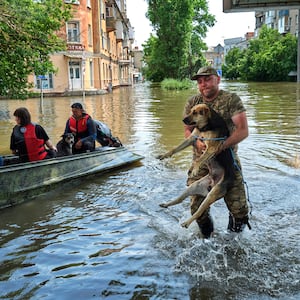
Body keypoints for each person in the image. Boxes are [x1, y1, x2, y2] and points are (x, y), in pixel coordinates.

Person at [184, 66, 250, 238]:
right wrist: (197, 143)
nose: (203, 84)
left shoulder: (231, 100)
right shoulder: (193, 102)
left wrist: (221, 146)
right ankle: (208, 239)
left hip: (227, 160)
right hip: (202, 162)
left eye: (207, 79)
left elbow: (242, 130)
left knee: (240, 210)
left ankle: (233, 241)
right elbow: (187, 130)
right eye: (200, 81)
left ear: (218, 79)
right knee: (196, 207)